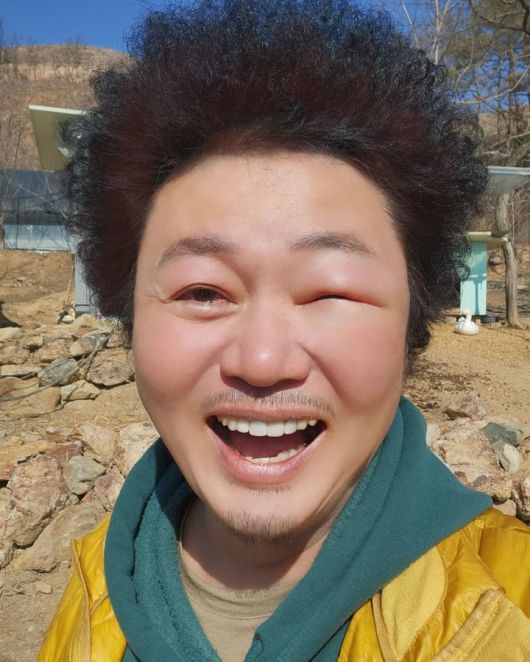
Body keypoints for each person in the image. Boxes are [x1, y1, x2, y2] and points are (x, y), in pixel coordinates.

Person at [39, 1, 530, 660]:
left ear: (411, 325)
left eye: (331, 292)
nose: (263, 360)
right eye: (203, 292)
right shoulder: (91, 585)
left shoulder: (507, 608)